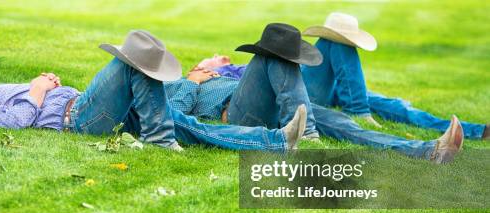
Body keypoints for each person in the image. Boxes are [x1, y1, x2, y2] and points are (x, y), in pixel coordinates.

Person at [0, 30, 309, 153]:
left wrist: (50, 85)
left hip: (89, 108)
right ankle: (159, 137)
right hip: (81, 118)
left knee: (188, 125)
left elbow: (30, 104)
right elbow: (19, 120)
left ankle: (276, 140)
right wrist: (38, 88)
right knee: (129, 60)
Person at [164, 24, 464, 163]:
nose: (219, 58)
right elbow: (174, 111)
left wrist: (219, 68)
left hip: (288, 107)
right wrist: (192, 79)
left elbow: (272, 77)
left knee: (346, 126)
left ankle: (428, 151)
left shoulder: (231, 73)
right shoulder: (180, 82)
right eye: (211, 59)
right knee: (272, 50)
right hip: (241, 112)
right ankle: (306, 134)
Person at [199, 12, 489, 140]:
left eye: (221, 56)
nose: (221, 57)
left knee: (395, 106)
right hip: (295, 91)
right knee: (336, 43)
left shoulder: (240, 66)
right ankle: (359, 109)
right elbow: (256, 86)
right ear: (205, 67)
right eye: (215, 58)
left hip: (315, 83)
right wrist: (213, 67)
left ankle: (476, 130)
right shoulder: (220, 76)